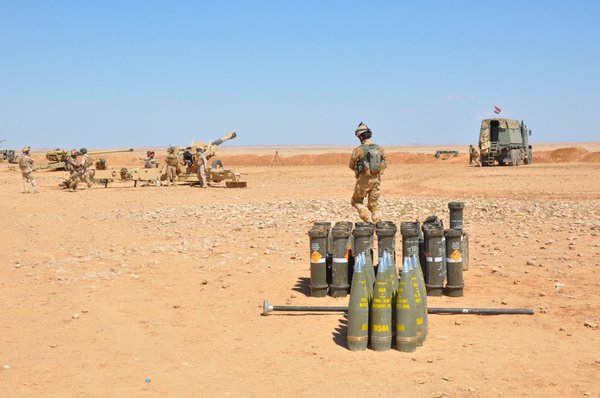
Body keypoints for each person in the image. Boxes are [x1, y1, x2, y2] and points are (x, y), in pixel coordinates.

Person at [349, 122, 386, 222]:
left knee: (356, 201)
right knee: (373, 205)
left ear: (361, 137)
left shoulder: (359, 150)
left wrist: (360, 172)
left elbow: (351, 165)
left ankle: (367, 219)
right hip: (377, 181)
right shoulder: (379, 149)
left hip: (363, 181)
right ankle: (377, 222)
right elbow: (384, 163)